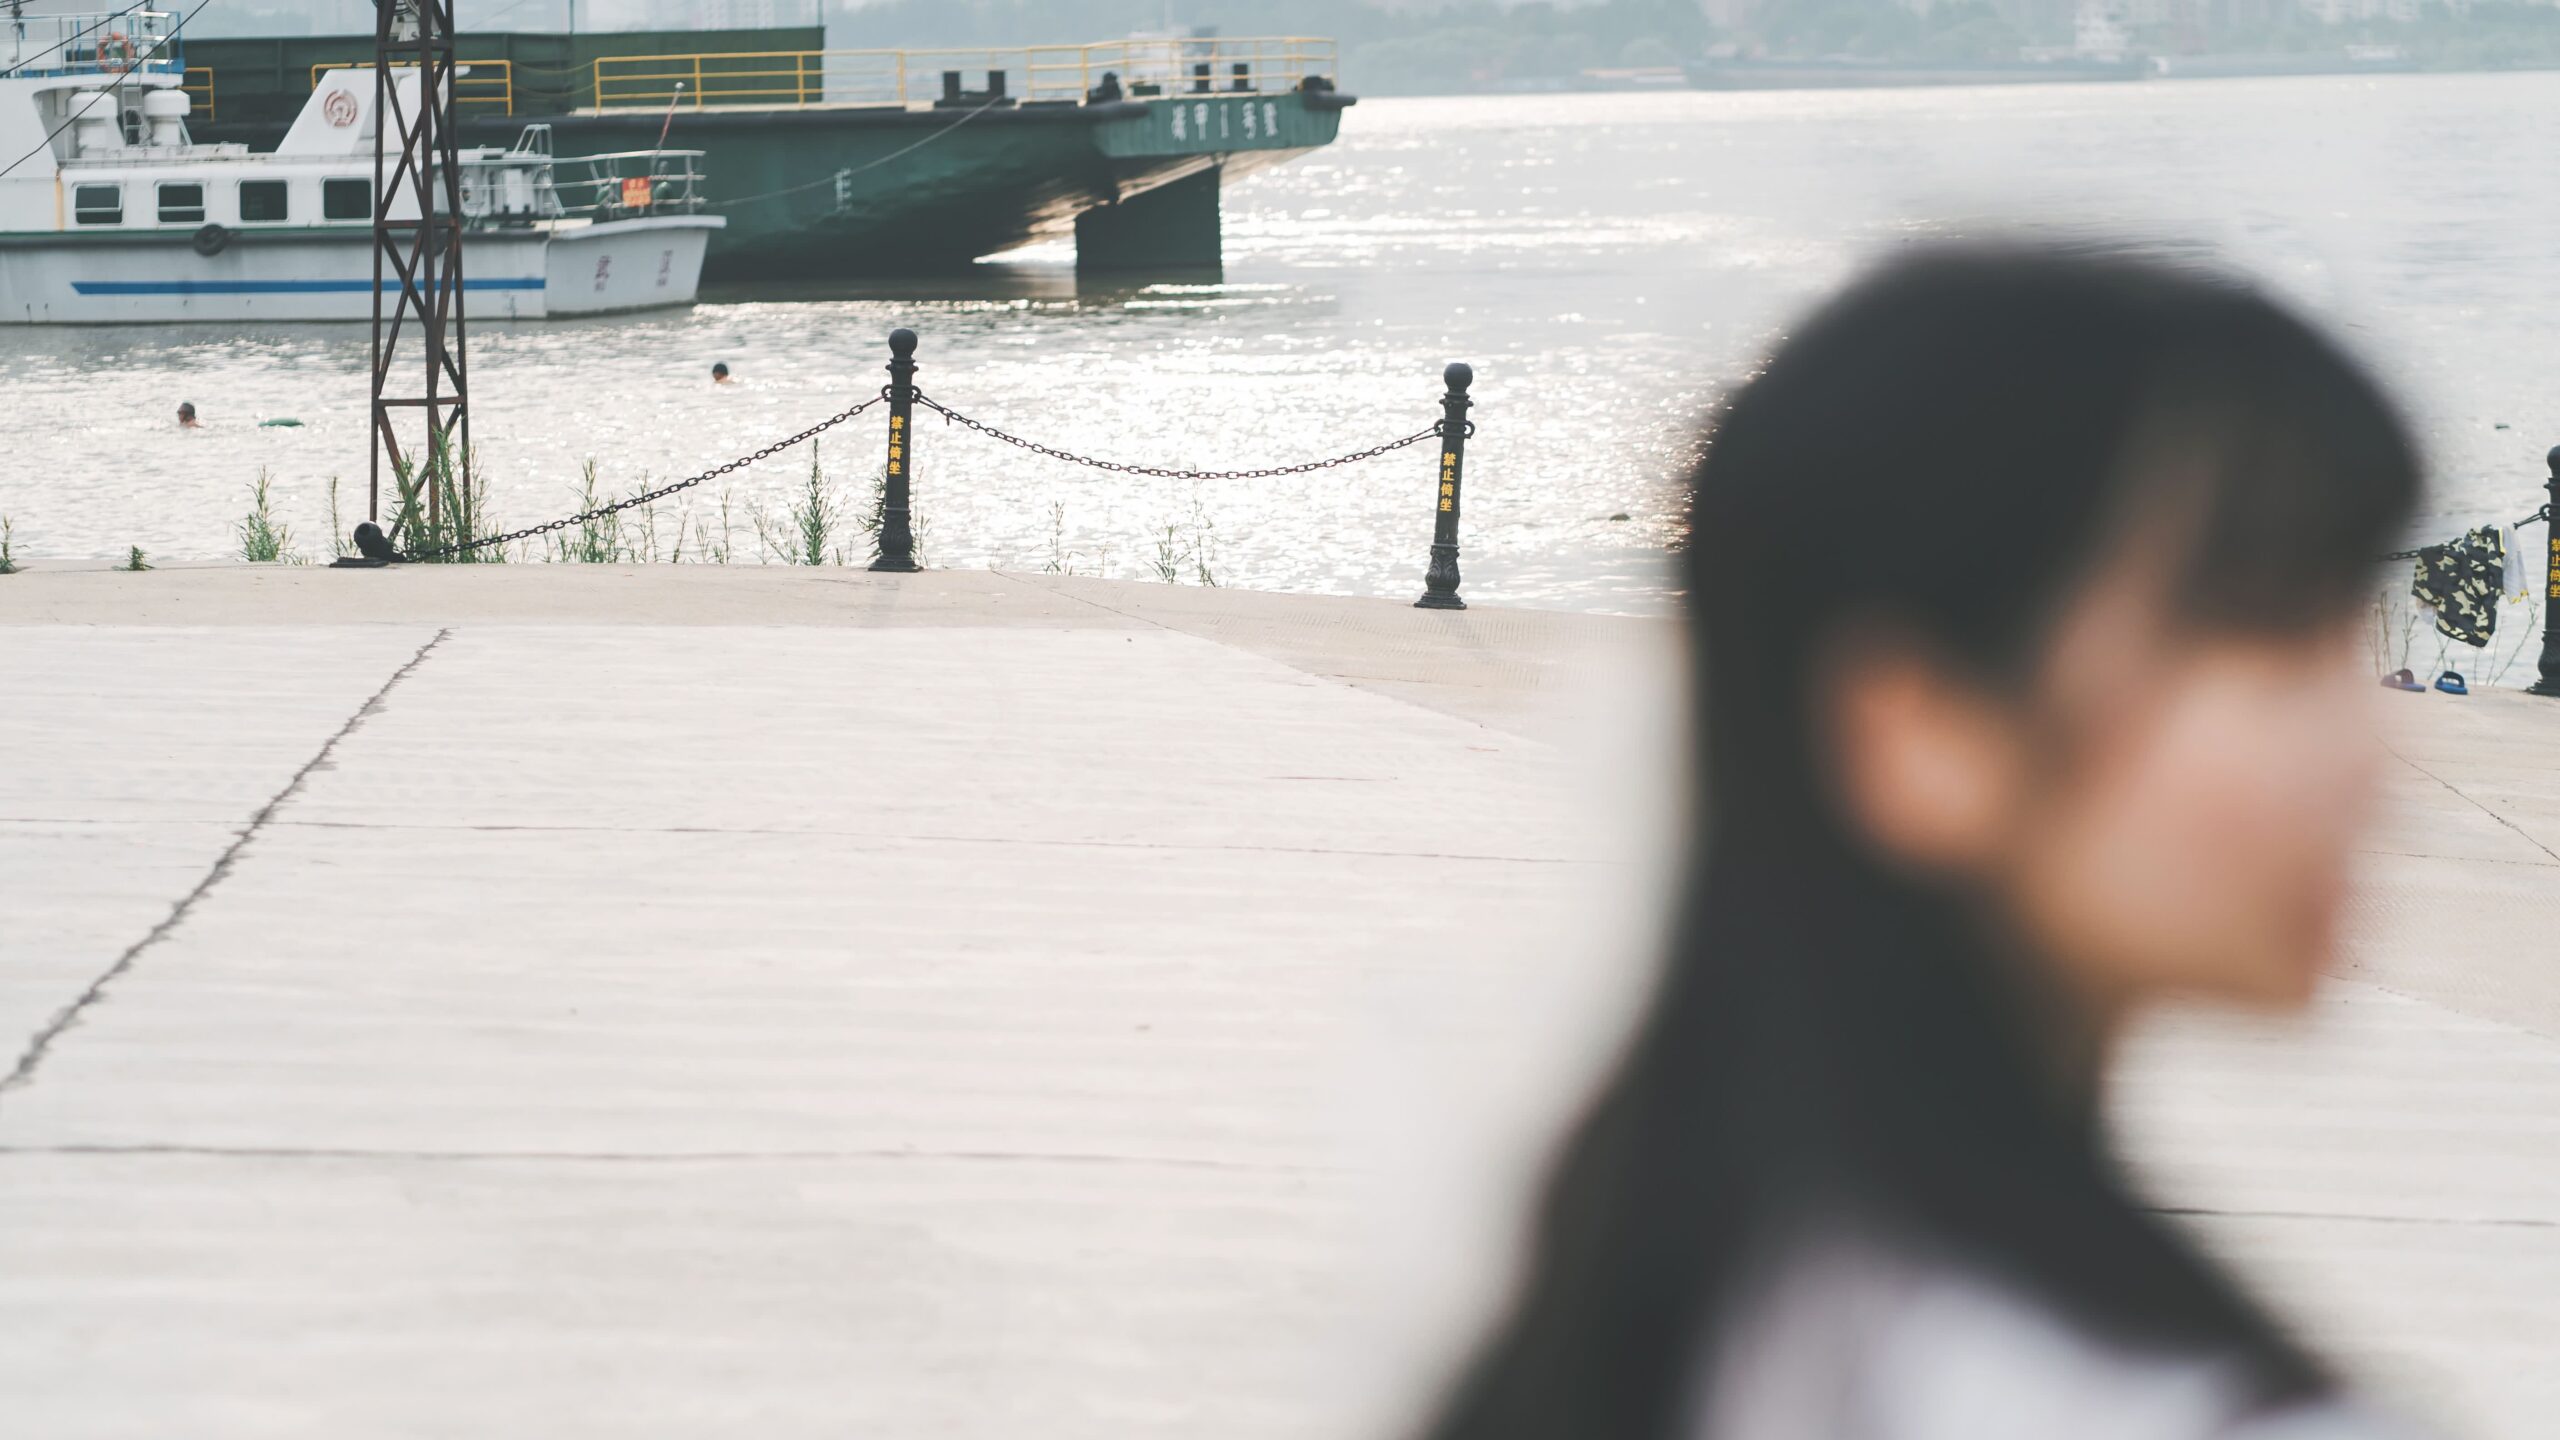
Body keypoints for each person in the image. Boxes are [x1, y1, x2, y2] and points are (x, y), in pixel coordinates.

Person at [1418, 247, 2424, 1440]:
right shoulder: (2143, 1398)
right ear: (1921, 726)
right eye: (2265, 633)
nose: (2367, 753)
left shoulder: (1669, 1285)